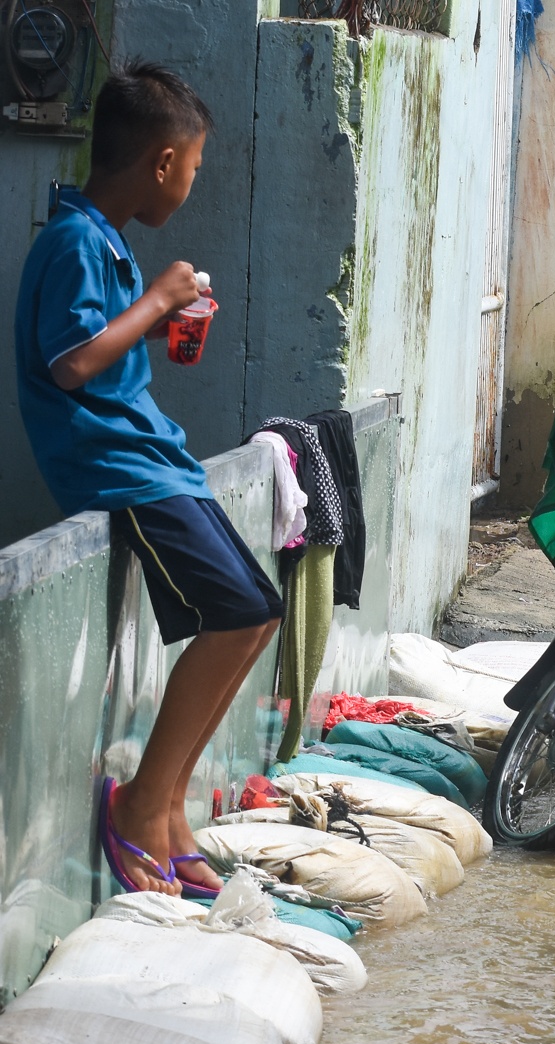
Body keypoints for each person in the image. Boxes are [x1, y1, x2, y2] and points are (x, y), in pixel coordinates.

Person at [12, 63, 281, 896]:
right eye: (193, 166)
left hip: (153, 457)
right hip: (115, 466)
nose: (192, 183)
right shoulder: (73, 241)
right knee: (238, 614)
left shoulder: (106, 239)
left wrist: (163, 328)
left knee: (259, 611)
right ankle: (139, 806)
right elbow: (71, 364)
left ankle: (165, 808)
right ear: (163, 162)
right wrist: (162, 299)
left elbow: (102, 347)